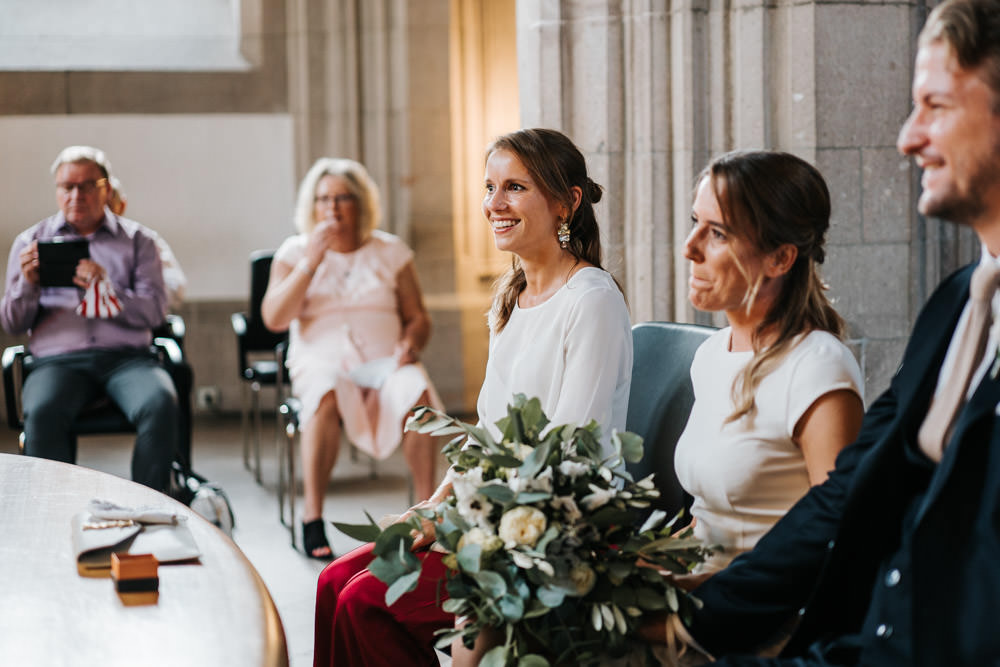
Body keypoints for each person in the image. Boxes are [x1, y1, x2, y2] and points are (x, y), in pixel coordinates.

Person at [648, 0, 1000, 664]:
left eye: (937, 106)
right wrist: (688, 613)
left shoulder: (818, 363)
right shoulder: (957, 305)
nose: (906, 137)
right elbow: (848, 501)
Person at [312, 128, 633, 667]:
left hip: (549, 532)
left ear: (566, 202)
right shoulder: (513, 299)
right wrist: (433, 505)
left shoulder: (591, 301)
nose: (494, 204)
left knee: (366, 601)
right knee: (332, 580)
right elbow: (487, 436)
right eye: (489, 187)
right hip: (486, 511)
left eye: (514, 188)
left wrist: (451, 523)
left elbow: (568, 458)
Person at [674, 150, 865, 578]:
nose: (690, 249)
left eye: (718, 234)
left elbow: (840, 542)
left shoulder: (818, 369)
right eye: (695, 224)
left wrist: (704, 594)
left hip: (758, 619)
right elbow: (707, 519)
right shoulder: (711, 355)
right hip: (691, 594)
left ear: (780, 258)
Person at [261, 157, 443, 559]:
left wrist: (411, 343)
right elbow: (274, 318)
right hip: (320, 360)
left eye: (343, 198)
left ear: (361, 204)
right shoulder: (294, 252)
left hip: (384, 361)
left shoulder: (390, 250)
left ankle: (429, 510)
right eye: (324, 199)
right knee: (324, 393)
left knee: (418, 393)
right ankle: (312, 517)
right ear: (312, 207)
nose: (333, 208)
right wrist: (312, 261)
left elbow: (418, 318)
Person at [0, 146, 178, 492]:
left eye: (86, 186)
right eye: (67, 187)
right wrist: (28, 285)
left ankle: (153, 508)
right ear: (57, 191)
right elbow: (11, 323)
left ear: (106, 190)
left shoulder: (140, 241)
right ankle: (56, 514)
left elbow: (156, 311)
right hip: (57, 362)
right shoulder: (30, 243)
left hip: (128, 360)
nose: (75, 195)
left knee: (160, 402)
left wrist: (110, 292)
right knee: (43, 411)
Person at [107, 176, 188, 311]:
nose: (103, 215)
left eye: (108, 207)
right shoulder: (74, 241)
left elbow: (176, 287)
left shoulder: (143, 241)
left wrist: (138, 291)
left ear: (122, 205)